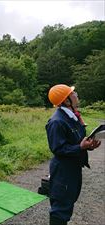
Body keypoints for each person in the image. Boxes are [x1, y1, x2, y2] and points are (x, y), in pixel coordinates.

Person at [46, 84, 101, 225]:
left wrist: (88, 146)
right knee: (60, 209)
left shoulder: (72, 116)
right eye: (72, 92)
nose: (76, 94)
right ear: (66, 100)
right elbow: (58, 149)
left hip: (73, 167)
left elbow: (76, 142)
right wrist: (80, 147)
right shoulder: (57, 121)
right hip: (63, 171)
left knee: (69, 201)